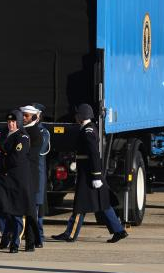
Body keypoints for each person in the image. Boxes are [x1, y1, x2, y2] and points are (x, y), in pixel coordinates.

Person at [51, 104, 128, 244]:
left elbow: (93, 155)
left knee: (81, 205)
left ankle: (70, 234)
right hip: (89, 173)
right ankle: (119, 230)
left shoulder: (88, 131)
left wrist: (96, 175)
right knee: (103, 204)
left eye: (77, 114)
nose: (75, 117)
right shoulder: (87, 129)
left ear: (81, 116)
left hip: (89, 175)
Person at [0, 110, 36, 254]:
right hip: (5, 179)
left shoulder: (22, 137)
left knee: (17, 213)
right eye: (9, 122)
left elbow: (15, 159)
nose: (11, 124)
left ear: (18, 122)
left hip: (17, 180)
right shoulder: (4, 134)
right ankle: (6, 236)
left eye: (13, 122)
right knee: (4, 210)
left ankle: (15, 243)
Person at [19, 104, 48, 250]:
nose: (23, 118)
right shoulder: (21, 130)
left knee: (31, 212)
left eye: (27, 116)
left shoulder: (37, 133)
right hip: (20, 175)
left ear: (35, 117)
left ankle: (32, 241)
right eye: (23, 115)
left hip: (31, 176)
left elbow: (31, 154)